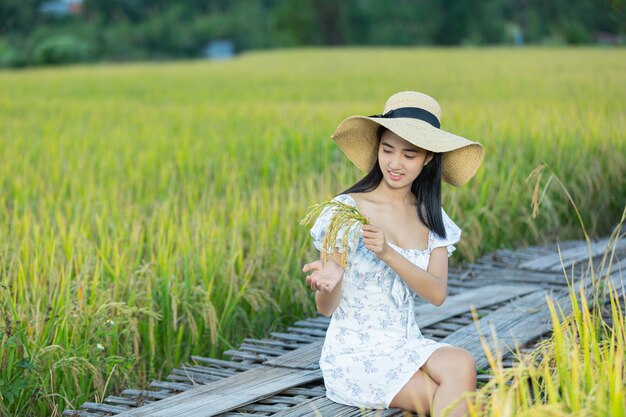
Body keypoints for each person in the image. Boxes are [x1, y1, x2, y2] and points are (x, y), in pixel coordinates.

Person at [302, 91, 484, 417]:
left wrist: (387, 253)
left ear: (428, 158)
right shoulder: (345, 212)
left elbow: (437, 293)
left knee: (462, 361)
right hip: (355, 354)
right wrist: (329, 284)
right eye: (387, 150)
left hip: (405, 344)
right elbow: (326, 309)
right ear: (378, 150)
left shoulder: (432, 218)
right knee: (454, 402)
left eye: (409, 155)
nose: (395, 164)